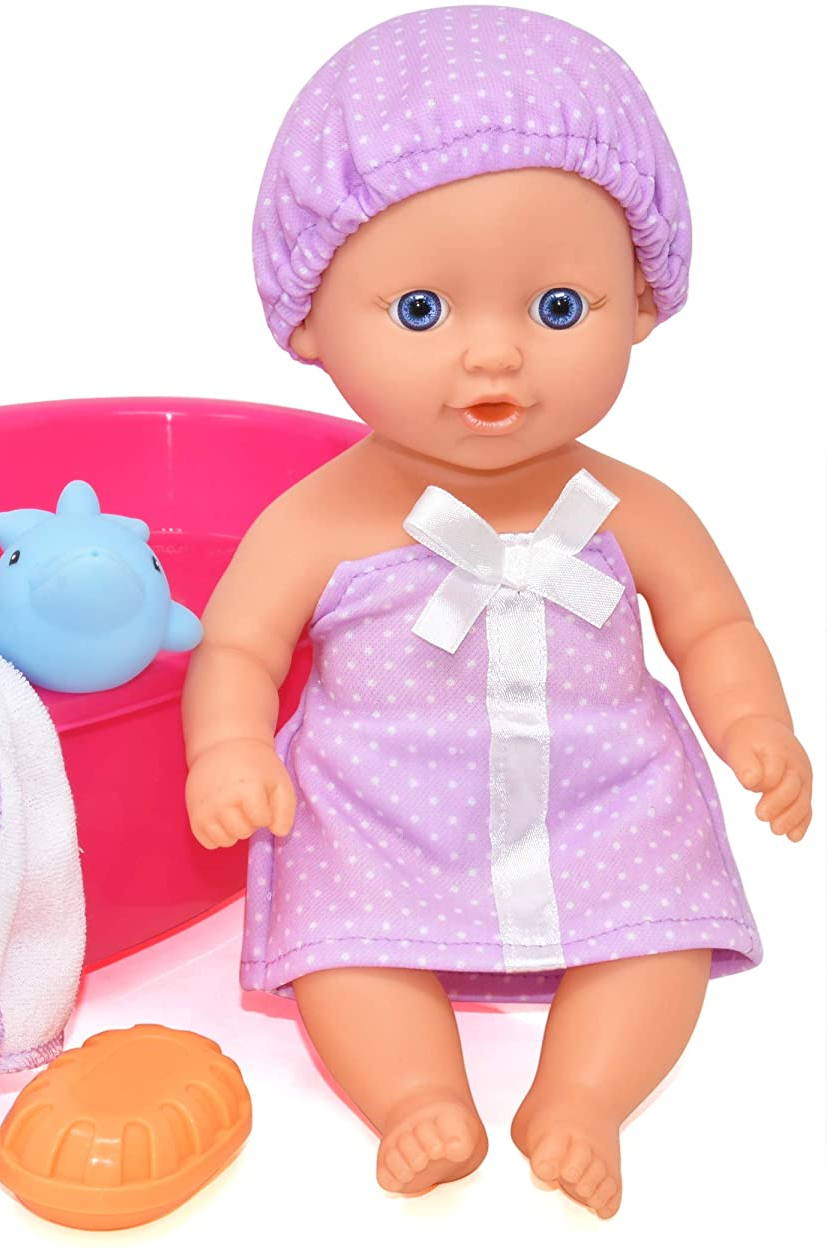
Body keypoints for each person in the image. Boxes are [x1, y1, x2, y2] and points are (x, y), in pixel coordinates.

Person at [181, 5, 812, 1220]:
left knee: (662, 941)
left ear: (642, 304)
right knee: (348, 952)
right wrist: (228, 748)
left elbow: (715, 629)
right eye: (422, 312)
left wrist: (754, 728)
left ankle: (584, 1097)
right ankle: (415, 1093)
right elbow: (238, 647)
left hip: (606, 802)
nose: (495, 359)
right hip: (378, 815)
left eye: (557, 309)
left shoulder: (635, 507)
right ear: (308, 320)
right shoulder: (317, 519)